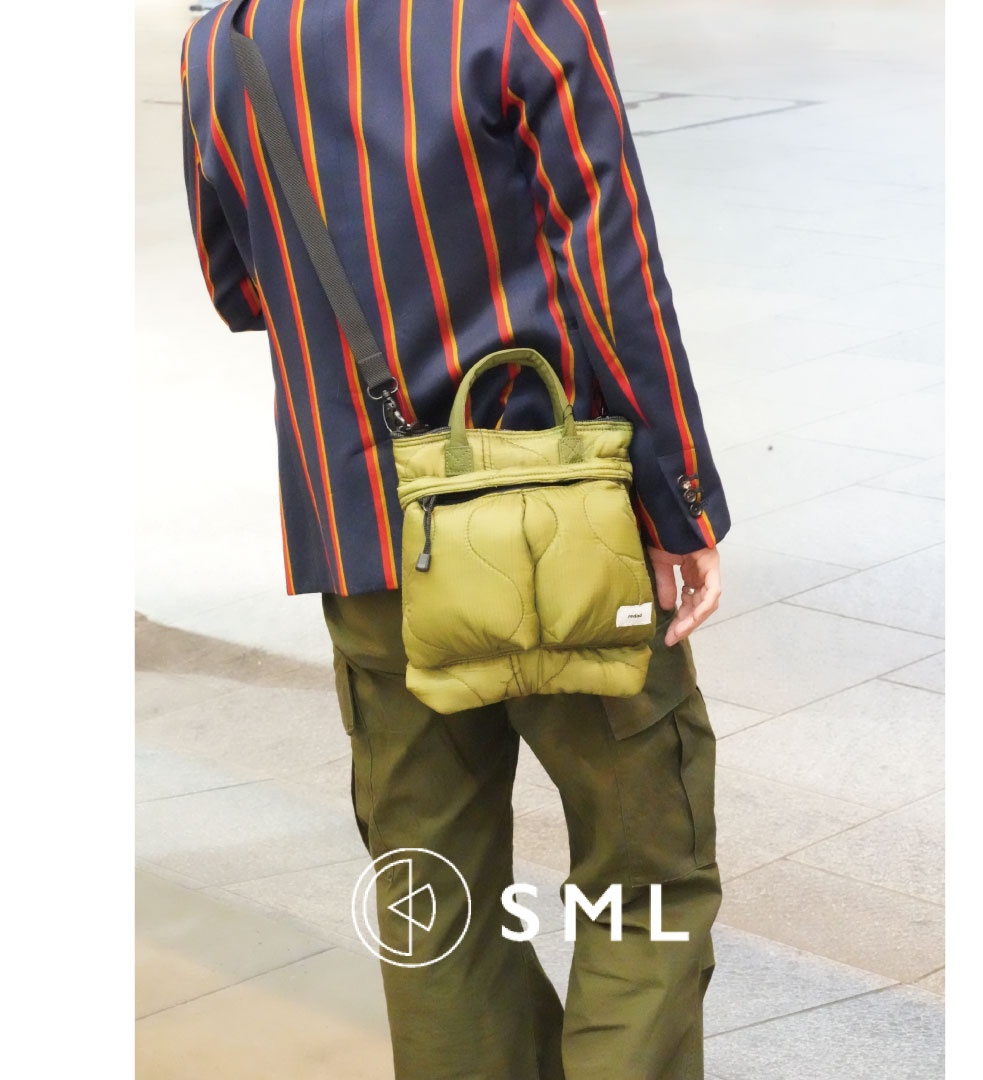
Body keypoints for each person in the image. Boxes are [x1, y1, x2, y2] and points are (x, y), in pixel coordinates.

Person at [181, 1, 732, 1076]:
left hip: (368, 530)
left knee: (432, 899)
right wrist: (682, 502)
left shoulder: (222, 42)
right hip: (561, 531)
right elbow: (609, 265)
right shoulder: (517, 13)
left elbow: (240, 289)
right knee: (646, 878)